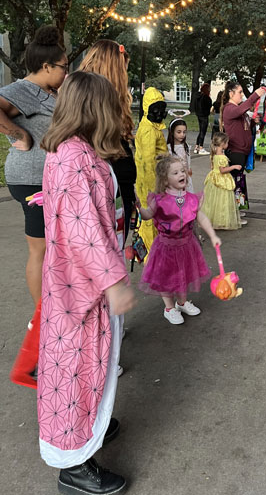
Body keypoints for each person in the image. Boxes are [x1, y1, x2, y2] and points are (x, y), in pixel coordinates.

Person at [38, 71, 136, 494]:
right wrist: (113, 281)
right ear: (95, 109)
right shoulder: (75, 158)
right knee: (80, 370)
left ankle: (87, 430)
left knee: (91, 367)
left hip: (76, 283)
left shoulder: (73, 151)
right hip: (82, 289)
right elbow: (84, 232)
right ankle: (74, 465)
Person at [0, 25, 67, 308]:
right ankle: (43, 315)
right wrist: (19, 135)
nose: (66, 71)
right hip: (32, 180)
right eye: (63, 66)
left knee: (54, 248)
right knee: (39, 248)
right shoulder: (24, 89)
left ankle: (54, 306)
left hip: (48, 178)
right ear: (46, 66)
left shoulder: (47, 90)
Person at [137, 155, 220, 324]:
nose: (181, 174)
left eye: (182, 170)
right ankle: (169, 308)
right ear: (165, 180)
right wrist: (139, 207)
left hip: (187, 245)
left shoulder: (191, 199)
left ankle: (181, 302)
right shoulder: (159, 200)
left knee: (184, 275)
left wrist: (212, 235)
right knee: (166, 278)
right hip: (166, 247)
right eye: (175, 172)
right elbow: (147, 215)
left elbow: (200, 217)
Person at [79, 39, 137, 241]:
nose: (125, 75)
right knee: (106, 260)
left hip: (120, 186)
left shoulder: (110, 99)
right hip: (103, 192)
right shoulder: (88, 98)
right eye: (123, 69)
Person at [221, 82, 264, 217]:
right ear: (231, 93)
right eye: (239, 92)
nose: (242, 95)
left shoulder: (237, 109)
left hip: (243, 150)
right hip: (236, 150)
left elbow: (242, 125)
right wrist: (256, 95)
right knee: (235, 181)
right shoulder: (229, 109)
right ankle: (234, 211)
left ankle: (237, 208)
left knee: (239, 181)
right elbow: (242, 110)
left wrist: (253, 122)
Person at [135, 87, 168, 254]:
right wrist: (153, 188)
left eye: (161, 108)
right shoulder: (148, 130)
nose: (159, 112)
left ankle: (152, 248)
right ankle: (150, 251)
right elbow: (147, 161)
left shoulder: (153, 127)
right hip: (150, 181)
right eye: (155, 108)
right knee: (150, 216)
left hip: (156, 177)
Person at [202, 131, 242, 230]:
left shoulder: (214, 154)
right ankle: (221, 220)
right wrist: (233, 167)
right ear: (223, 144)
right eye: (227, 143)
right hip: (221, 179)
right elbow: (222, 170)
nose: (228, 145)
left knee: (214, 201)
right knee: (222, 201)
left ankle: (213, 219)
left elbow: (213, 167)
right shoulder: (222, 157)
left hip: (214, 179)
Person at [167, 118, 193, 192]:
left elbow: (188, 160)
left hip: (186, 178)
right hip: (174, 180)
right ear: (172, 132)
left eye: (184, 132)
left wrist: (189, 169)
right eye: (179, 132)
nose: (182, 135)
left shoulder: (186, 146)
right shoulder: (169, 148)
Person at [194, 83, 212, 155]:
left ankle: (196, 146)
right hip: (204, 115)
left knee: (200, 131)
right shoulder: (206, 97)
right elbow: (209, 106)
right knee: (203, 131)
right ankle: (201, 147)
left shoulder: (198, 96)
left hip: (199, 115)